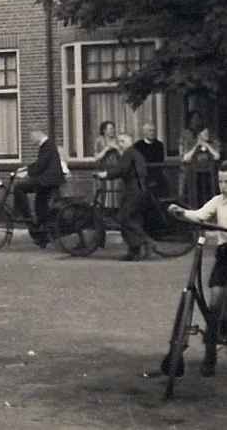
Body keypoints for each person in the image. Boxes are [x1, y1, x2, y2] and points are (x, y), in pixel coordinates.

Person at [168, 162, 227, 376]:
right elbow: (200, 215)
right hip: (225, 255)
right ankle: (210, 355)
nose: (223, 186)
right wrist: (181, 212)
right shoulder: (218, 202)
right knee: (214, 306)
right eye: (220, 181)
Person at [96, 132, 157, 261]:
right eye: (119, 142)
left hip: (133, 189)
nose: (120, 145)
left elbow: (121, 169)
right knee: (134, 219)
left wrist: (105, 175)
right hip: (140, 188)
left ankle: (147, 241)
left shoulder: (129, 153)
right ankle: (134, 252)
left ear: (130, 142)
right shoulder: (136, 153)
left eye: (122, 141)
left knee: (124, 217)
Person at [12, 128, 65, 248]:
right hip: (49, 179)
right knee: (40, 205)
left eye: (31, 135)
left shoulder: (47, 145)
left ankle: (26, 217)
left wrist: (26, 173)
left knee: (19, 187)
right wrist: (25, 168)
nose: (30, 139)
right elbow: (40, 163)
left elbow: (41, 165)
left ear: (37, 133)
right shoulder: (47, 145)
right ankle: (42, 235)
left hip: (48, 179)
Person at [182, 127, 221, 206]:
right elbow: (185, 158)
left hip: (209, 177)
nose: (207, 135)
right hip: (195, 177)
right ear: (199, 135)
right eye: (204, 134)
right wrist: (196, 145)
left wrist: (208, 146)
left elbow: (217, 156)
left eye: (207, 134)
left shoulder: (212, 144)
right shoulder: (193, 145)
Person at [93, 120, 122, 213]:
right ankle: (105, 214)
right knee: (104, 193)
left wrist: (117, 148)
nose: (112, 131)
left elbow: (124, 156)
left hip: (116, 169)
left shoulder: (118, 140)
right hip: (104, 169)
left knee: (116, 192)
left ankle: (116, 213)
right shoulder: (99, 140)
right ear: (104, 130)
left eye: (113, 129)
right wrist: (106, 149)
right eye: (110, 129)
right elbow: (96, 157)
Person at [133, 123, 168, 198]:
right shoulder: (138, 145)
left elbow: (160, 159)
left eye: (153, 131)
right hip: (142, 174)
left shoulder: (159, 144)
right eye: (149, 131)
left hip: (156, 174)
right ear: (144, 132)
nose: (152, 133)